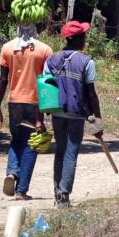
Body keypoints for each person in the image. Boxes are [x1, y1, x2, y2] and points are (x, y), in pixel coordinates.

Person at [43, 21, 102, 208]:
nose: (85, 40)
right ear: (77, 39)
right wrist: (97, 119)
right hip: (76, 114)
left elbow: (45, 89)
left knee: (60, 152)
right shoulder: (86, 62)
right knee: (71, 154)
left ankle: (57, 194)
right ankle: (64, 195)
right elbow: (91, 94)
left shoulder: (51, 60)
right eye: (83, 36)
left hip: (57, 113)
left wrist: (42, 115)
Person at [0, 24, 53, 200]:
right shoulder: (45, 50)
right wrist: (46, 109)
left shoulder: (7, 48)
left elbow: (3, 79)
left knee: (16, 139)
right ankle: (21, 190)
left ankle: (12, 172)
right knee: (32, 144)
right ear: (35, 29)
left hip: (14, 102)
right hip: (35, 103)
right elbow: (47, 81)